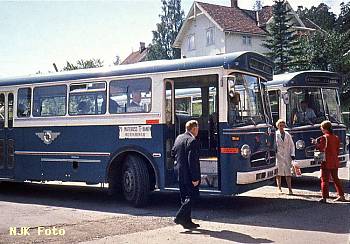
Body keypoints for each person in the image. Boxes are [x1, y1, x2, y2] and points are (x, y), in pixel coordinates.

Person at [172, 120, 201, 229]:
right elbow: (192, 161)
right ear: (194, 129)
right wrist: (195, 178)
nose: (198, 131)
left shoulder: (179, 138)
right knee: (193, 196)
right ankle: (179, 217)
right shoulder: (192, 141)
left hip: (179, 172)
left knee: (184, 197)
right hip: (189, 174)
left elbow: (173, 152)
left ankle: (187, 222)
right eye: (197, 128)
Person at [312, 120, 346, 203]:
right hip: (334, 160)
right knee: (336, 179)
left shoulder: (324, 137)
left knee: (324, 180)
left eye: (321, 127)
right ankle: (341, 195)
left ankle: (324, 197)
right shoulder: (336, 137)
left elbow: (321, 148)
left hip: (326, 161)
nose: (321, 129)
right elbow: (337, 150)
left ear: (324, 128)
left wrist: (315, 143)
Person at [275, 119, 295, 195]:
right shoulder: (275, 134)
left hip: (287, 155)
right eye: (280, 125)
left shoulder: (287, 135)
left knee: (288, 173)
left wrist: (292, 155)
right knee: (278, 173)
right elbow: (274, 146)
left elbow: (292, 145)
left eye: (283, 125)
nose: (281, 127)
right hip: (278, 156)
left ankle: (290, 189)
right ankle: (279, 188)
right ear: (277, 126)